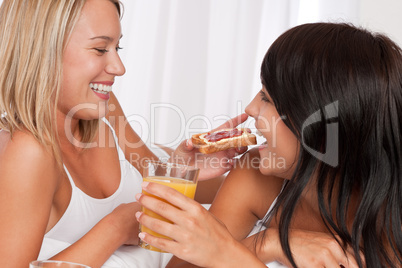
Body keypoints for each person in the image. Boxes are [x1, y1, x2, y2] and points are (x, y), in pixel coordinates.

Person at [0, 0, 247, 267]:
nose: (119, 67)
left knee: (252, 179)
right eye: (99, 49)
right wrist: (116, 227)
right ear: (41, 50)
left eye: (117, 47)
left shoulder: (103, 107)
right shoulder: (28, 153)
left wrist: (179, 169)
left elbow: (156, 190)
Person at [136, 22, 402, 268]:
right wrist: (268, 242)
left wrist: (234, 252)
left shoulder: (391, 220)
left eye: (267, 98)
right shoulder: (255, 174)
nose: (251, 108)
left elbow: (219, 253)